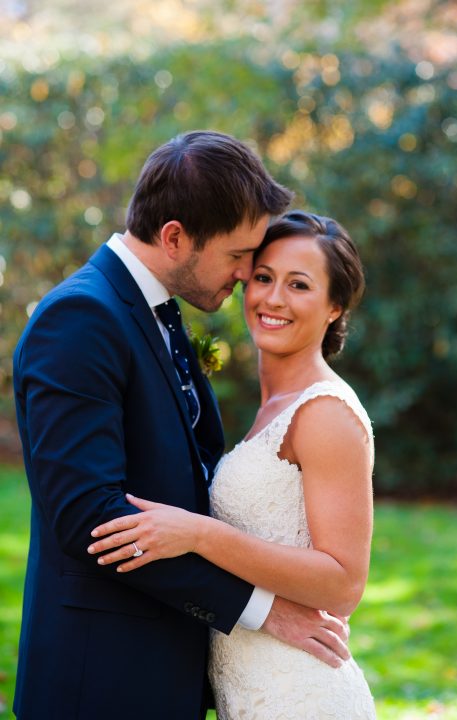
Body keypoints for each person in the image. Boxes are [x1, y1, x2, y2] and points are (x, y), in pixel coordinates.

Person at [12, 133, 351, 720]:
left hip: (168, 671)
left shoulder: (158, 313)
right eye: (239, 255)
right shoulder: (81, 319)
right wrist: (263, 611)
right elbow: (90, 518)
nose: (248, 275)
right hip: (102, 681)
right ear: (174, 237)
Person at [88, 210, 376, 719]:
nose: (273, 299)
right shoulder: (273, 406)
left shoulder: (326, 412)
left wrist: (200, 534)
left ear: (334, 307)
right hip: (244, 686)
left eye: (299, 285)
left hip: (299, 693)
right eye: (263, 277)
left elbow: (343, 583)